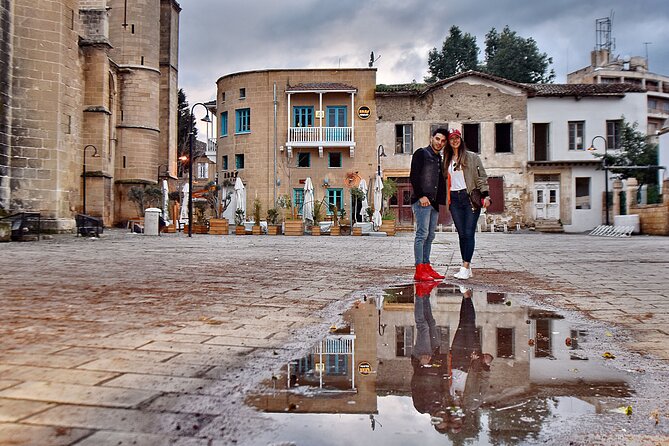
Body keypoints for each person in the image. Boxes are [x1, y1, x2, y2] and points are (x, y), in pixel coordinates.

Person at [444, 128, 490, 280]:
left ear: (461, 139)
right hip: (455, 200)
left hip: (469, 197)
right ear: (449, 142)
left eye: (457, 138)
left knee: (469, 233)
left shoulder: (472, 157)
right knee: (462, 234)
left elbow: (481, 177)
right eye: (451, 138)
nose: (454, 141)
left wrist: (486, 195)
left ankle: (464, 265)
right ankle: (467, 267)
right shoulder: (446, 159)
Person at [410, 128, 448, 282]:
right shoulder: (421, 153)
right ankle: (419, 269)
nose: (440, 143)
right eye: (438, 139)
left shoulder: (439, 158)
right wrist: (421, 195)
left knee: (431, 236)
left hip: (433, 203)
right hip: (422, 200)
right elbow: (413, 175)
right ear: (432, 138)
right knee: (422, 234)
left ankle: (426, 266)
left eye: (443, 141)